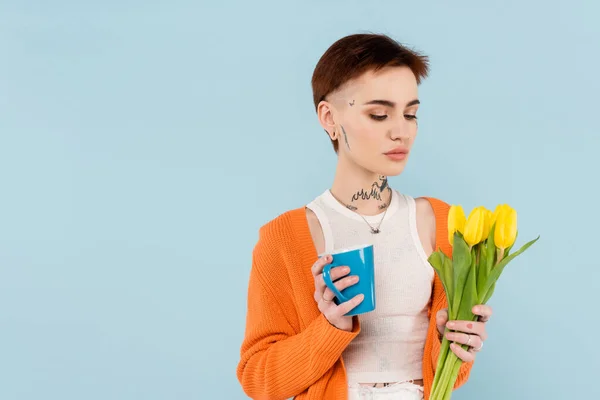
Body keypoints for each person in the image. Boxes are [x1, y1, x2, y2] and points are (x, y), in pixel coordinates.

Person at [236, 33, 493, 400]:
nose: (401, 130)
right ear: (329, 118)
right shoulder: (284, 237)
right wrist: (329, 326)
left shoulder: (442, 221)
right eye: (378, 114)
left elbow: (448, 376)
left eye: (411, 113)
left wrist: (453, 344)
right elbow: (259, 381)